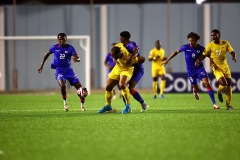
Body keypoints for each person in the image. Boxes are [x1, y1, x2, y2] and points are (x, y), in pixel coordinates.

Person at [161, 32, 220, 109]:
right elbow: (176, 52)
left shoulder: (201, 48)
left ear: (196, 40)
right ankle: (195, 91)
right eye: (189, 40)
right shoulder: (185, 47)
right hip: (190, 71)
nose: (190, 42)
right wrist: (167, 60)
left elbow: (210, 55)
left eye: (192, 40)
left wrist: (214, 63)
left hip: (199, 69)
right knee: (196, 89)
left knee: (206, 83)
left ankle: (214, 104)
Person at [38, 33, 88, 112]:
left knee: (81, 89)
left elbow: (78, 58)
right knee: (63, 85)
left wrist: (76, 59)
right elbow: (47, 54)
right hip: (59, 70)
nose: (61, 41)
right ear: (58, 39)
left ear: (66, 39)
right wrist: (41, 65)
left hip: (69, 71)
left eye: (63, 39)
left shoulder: (70, 48)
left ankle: (82, 106)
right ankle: (65, 103)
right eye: (60, 39)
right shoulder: (54, 47)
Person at [195, 29, 237, 110]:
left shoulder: (225, 43)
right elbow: (204, 55)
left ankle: (228, 105)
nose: (213, 37)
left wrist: (233, 57)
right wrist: (198, 60)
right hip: (216, 68)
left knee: (229, 86)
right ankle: (219, 91)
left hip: (225, 67)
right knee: (224, 84)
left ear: (219, 35)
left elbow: (232, 51)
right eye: (212, 35)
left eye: (214, 35)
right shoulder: (210, 45)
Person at [98, 43, 145, 114]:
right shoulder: (119, 46)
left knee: (122, 85)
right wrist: (114, 58)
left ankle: (128, 105)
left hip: (126, 70)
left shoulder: (127, 57)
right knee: (108, 87)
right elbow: (117, 46)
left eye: (113, 56)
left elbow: (142, 59)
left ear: (119, 54)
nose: (112, 57)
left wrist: (133, 57)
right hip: (117, 68)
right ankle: (108, 105)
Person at [119, 31, 149, 112]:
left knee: (130, 88)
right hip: (128, 70)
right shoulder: (122, 46)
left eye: (120, 37)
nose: (119, 39)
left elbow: (136, 53)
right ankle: (127, 107)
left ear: (123, 38)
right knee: (124, 88)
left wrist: (131, 57)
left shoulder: (132, 44)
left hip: (137, 69)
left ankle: (143, 104)